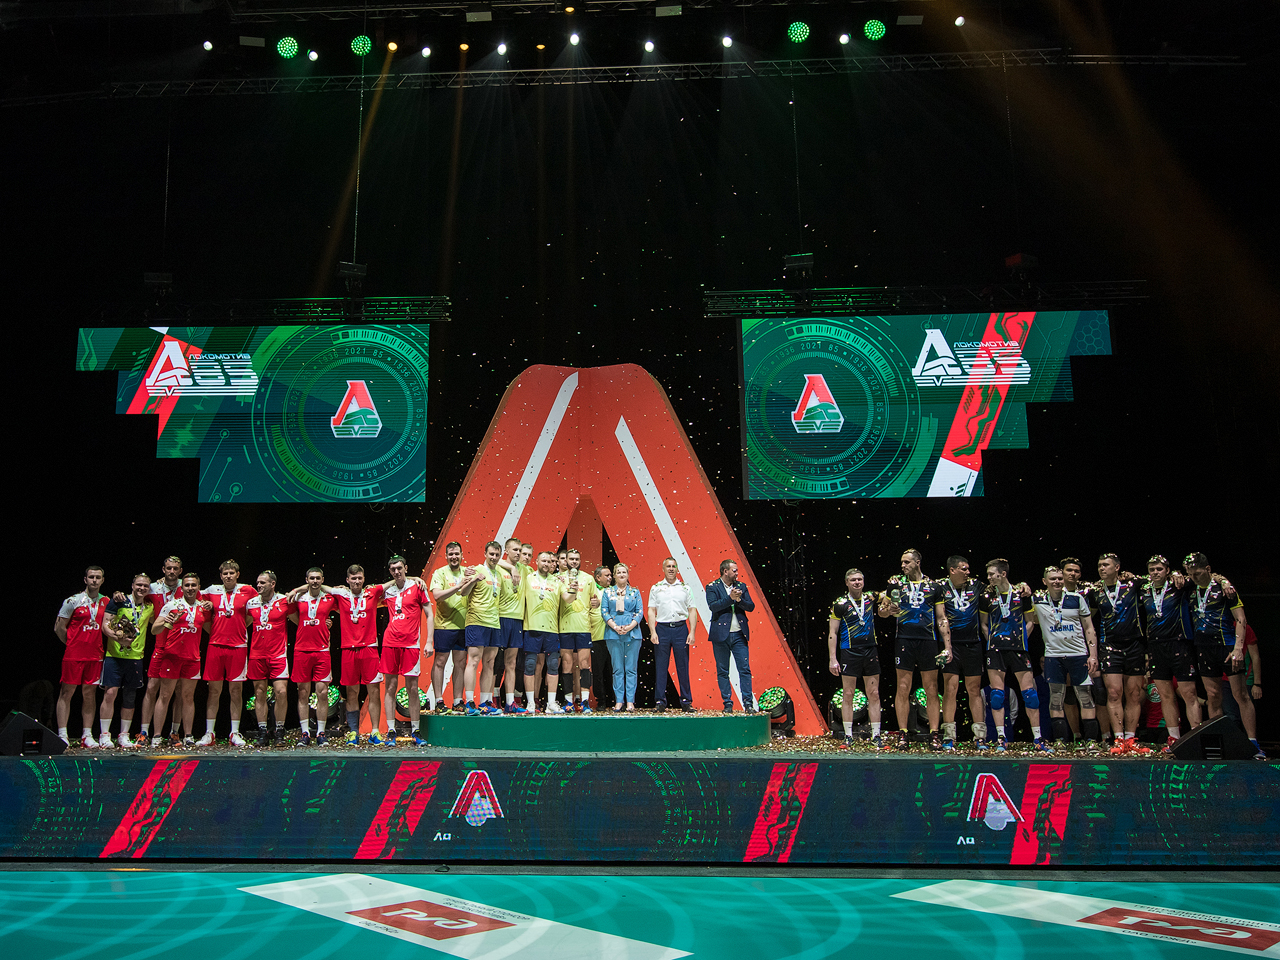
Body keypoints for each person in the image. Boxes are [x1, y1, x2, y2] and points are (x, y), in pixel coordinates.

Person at [1184, 552, 1262, 759]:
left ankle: (1253, 743)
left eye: (1198, 573)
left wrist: (1238, 649)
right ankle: (1220, 743)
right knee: (1213, 696)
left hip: (1227, 647)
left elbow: (1241, 619)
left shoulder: (1226, 590)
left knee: (1240, 695)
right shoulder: (1190, 589)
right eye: (1190, 574)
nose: (1194, 577)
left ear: (1208, 569)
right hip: (1203, 648)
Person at [878, 549, 951, 751]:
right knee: (903, 687)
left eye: (907, 562)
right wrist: (888, 610)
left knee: (932, 688)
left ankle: (934, 733)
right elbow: (882, 611)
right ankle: (903, 733)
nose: (903, 566)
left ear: (918, 562)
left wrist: (947, 646)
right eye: (902, 562)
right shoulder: (895, 584)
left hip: (928, 640)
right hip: (904, 640)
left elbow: (941, 618)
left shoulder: (934, 586)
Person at [979, 559, 1049, 752]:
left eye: (992, 574)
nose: (989, 577)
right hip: (996, 650)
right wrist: (991, 641)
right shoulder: (986, 596)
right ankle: (1001, 738)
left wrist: (1021, 640)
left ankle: (1038, 738)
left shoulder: (1021, 594)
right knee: (996, 695)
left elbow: (1030, 621)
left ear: (1003, 574)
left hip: (1019, 650)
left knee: (1030, 695)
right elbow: (984, 623)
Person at [1031, 566, 1101, 747]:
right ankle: (1060, 740)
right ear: (1044, 581)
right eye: (1052, 579)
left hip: (1078, 654)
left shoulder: (1076, 599)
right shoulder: (1037, 599)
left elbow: (1089, 628)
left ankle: (1091, 740)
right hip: (1053, 655)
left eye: (1059, 578)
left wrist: (1093, 655)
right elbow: (1026, 614)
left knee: (1084, 696)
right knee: (1056, 697)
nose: (1057, 582)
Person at [1141, 554, 1202, 750]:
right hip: (1156, 647)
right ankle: (1174, 739)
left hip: (1179, 644)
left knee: (1189, 693)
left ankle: (1195, 738)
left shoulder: (1179, 585)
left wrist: (1223, 581)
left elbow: (1203, 576)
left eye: (1159, 569)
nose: (1155, 572)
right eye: (1152, 569)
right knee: (1165, 695)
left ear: (1167, 570)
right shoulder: (1144, 589)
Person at [1094, 553, 1151, 755]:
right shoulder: (1095, 590)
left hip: (1134, 645)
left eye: (1106, 565)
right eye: (1099, 565)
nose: (1101, 568)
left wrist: (1220, 579)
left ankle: (1130, 739)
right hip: (1109, 645)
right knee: (1113, 693)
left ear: (1117, 567)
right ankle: (1118, 739)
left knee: (1134, 694)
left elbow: (1156, 578)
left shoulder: (1132, 585)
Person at [199, 559, 257, 748]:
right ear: (221, 575)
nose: (228, 576)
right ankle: (209, 733)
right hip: (216, 645)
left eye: (232, 573)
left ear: (237, 574)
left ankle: (235, 732)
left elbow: (255, 611)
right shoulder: (211, 590)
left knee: (236, 691)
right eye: (225, 573)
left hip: (238, 646)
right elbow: (193, 598)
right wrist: (215, 631)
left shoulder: (248, 590)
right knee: (213, 690)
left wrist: (240, 627)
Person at [150, 574, 211, 748]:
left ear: (198, 587)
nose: (190, 588)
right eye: (187, 585)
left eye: (193, 585)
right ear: (182, 587)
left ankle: (188, 735)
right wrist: (165, 622)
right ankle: (156, 736)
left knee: (188, 697)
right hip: (172, 657)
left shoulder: (202, 608)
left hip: (193, 658)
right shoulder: (172, 605)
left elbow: (210, 629)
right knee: (165, 695)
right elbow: (154, 630)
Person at [330, 565, 387, 744]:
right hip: (349, 649)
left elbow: (393, 583)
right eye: (353, 578)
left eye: (359, 578)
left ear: (364, 579)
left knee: (374, 690)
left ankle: (375, 731)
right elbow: (319, 592)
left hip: (370, 648)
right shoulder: (341, 596)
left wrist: (414, 579)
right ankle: (354, 731)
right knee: (351, 692)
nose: (356, 581)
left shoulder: (371, 594)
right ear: (347, 580)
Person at [54, 565, 110, 747]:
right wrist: (72, 644)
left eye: (98, 577)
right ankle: (62, 734)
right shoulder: (73, 601)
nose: (94, 580)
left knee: (90, 694)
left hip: (95, 656)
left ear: (102, 580)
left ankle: (87, 735)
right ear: (85, 579)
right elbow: (59, 628)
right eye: (91, 577)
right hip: (74, 655)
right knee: (67, 693)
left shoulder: (106, 602)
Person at [827, 568, 883, 748]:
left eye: (859, 579)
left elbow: (889, 596)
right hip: (849, 652)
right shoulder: (840, 603)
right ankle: (848, 736)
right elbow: (833, 632)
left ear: (863, 581)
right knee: (848, 694)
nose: (857, 582)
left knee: (874, 693)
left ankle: (876, 735)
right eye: (853, 580)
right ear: (846, 583)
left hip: (870, 650)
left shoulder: (871, 597)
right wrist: (832, 659)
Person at [380, 555, 433, 743]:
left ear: (406, 568)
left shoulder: (417, 587)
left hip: (411, 644)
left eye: (399, 568)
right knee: (390, 687)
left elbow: (429, 614)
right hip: (390, 643)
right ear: (390, 571)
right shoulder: (388, 591)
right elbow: (370, 594)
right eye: (393, 569)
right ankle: (391, 730)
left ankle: (416, 731)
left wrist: (429, 641)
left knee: (412, 688)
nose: (397, 572)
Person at [100, 573, 156, 749]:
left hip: (135, 657)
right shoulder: (118, 601)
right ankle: (104, 735)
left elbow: (155, 624)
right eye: (139, 585)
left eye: (145, 586)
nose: (142, 588)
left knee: (130, 697)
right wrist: (119, 638)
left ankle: (124, 735)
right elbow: (105, 625)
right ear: (132, 585)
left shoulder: (150, 606)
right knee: (110, 693)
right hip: (114, 655)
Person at [137, 556, 184, 746]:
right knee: (151, 688)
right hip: (159, 644)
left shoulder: (187, 587)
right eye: (169, 568)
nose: (172, 571)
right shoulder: (153, 588)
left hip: (180, 645)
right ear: (163, 570)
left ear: (180, 571)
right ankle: (144, 732)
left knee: (179, 691)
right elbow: (137, 597)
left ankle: (174, 732)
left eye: (175, 568)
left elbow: (204, 602)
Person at [938, 555, 984, 751]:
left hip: (973, 644)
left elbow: (1000, 587)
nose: (968, 572)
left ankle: (980, 736)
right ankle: (949, 735)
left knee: (974, 689)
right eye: (964, 569)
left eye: (968, 569)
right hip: (951, 645)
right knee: (950, 688)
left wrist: (1022, 586)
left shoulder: (977, 586)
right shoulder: (940, 587)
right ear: (952, 570)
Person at [288, 567, 337, 745]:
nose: (315, 581)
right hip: (302, 650)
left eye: (318, 578)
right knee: (303, 692)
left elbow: (345, 601)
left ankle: (321, 733)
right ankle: (305, 733)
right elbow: (292, 615)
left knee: (322, 692)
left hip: (322, 650)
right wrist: (306, 623)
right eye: (312, 578)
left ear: (322, 580)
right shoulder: (298, 598)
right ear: (306, 580)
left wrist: (324, 624)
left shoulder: (329, 598)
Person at [246, 570, 291, 747]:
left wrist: (325, 623)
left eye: (262, 583)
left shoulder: (284, 600)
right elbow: (245, 623)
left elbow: (298, 619)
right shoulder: (251, 603)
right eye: (258, 582)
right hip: (257, 654)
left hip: (278, 654)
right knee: (259, 693)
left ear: (272, 584)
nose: (258, 585)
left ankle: (279, 731)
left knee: (281, 692)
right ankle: (262, 731)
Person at [647, 558, 698, 712]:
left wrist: (692, 632)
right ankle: (660, 702)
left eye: (673, 566)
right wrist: (653, 631)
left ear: (677, 569)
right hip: (662, 629)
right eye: (668, 566)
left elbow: (692, 610)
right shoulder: (656, 588)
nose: (671, 569)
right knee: (661, 666)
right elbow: (651, 610)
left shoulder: (685, 588)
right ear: (663, 569)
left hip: (680, 629)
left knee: (683, 666)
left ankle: (686, 701)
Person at [460, 541, 504, 716]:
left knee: (490, 662)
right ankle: (470, 702)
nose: (494, 557)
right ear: (485, 554)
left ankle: (485, 702)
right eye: (491, 554)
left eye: (497, 555)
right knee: (473, 660)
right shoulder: (476, 570)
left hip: (494, 623)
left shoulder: (499, 574)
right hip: (476, 621)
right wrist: (474, 580)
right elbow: (463, 592)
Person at [706, 559, 756, 713]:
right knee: (723, 670)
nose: (737, 573)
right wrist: (730, 599)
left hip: (739, 634)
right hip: (721, 635)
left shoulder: (741, 586)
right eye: (734, 570)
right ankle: (727, 703)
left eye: (737, 570)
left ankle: (748, 704)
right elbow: (713, 606)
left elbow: (751, 606)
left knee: (744, 669)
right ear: (725, 571)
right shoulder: (712, 587)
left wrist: (739, 599)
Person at [558, 548, 599, 712]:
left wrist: (596, 603)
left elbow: (595, 600)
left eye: (577, 559)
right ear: (566, 561)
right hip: (565, 627)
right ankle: (568, 702)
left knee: (584, 664)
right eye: (571, 559)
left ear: (580, 561)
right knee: (567, 665)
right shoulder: (559, 578)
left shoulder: (588, 578)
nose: (574, 561)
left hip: (583, 627)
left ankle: (585, 701)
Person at [429, 542, 469, 713]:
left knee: (460, 663)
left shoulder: (468, 572)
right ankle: (439, 701)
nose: (454, 557)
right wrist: (458, 586)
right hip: (444, 626)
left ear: (462, 555)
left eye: (457, 554)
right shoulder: (440, 573)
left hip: (464, 626)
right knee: (440, 663)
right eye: (451, 554)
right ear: (446, 556)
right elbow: (437, 595)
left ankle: (458, 701)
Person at [523, 550, 565, 713]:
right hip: (531, 628)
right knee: (530, 665)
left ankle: (551, 704)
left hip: (551, 629)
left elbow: (568, 598)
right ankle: (530, 703)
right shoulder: (528, 578)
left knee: (553, 665)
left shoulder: (557, 581)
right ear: (537, 562)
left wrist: (573, 590)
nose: (546, 564)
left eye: (549, 561)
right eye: (544, 561)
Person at [602, 563, 643, 711]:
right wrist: (615, 627)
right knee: (618, 669)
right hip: (613, 634)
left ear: (628, 575)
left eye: (624, 572)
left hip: (632, 633)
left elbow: (640, 612)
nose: (621, 574)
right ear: (614, 575)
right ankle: (619, 700)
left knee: (631, 669)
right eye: (618, 572)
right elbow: (604, 611)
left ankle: (630, 701)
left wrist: (629, 627)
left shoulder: (635, 592)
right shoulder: (607, 592)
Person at [495, 538, 530, 714]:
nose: (518, 553)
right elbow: (491, 562)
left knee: (511, 662)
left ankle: (509, 702)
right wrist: (511, 568)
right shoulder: (498, 567)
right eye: (515, 550)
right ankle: (491, 699)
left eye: (520, 550)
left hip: (517, 620)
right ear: (506, 551)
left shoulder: (525, 569)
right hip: (500, 618)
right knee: (494, 662)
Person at [589, 564, 614, 710]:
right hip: (597, 637)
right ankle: (601, 701)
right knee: (598, 671)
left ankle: (615, 700)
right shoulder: (592, 591)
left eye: (610, 575)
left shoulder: (614, 591)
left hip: (613, 637)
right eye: (607, 575)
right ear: (598, 577)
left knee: (613, 670)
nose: (610, 578)